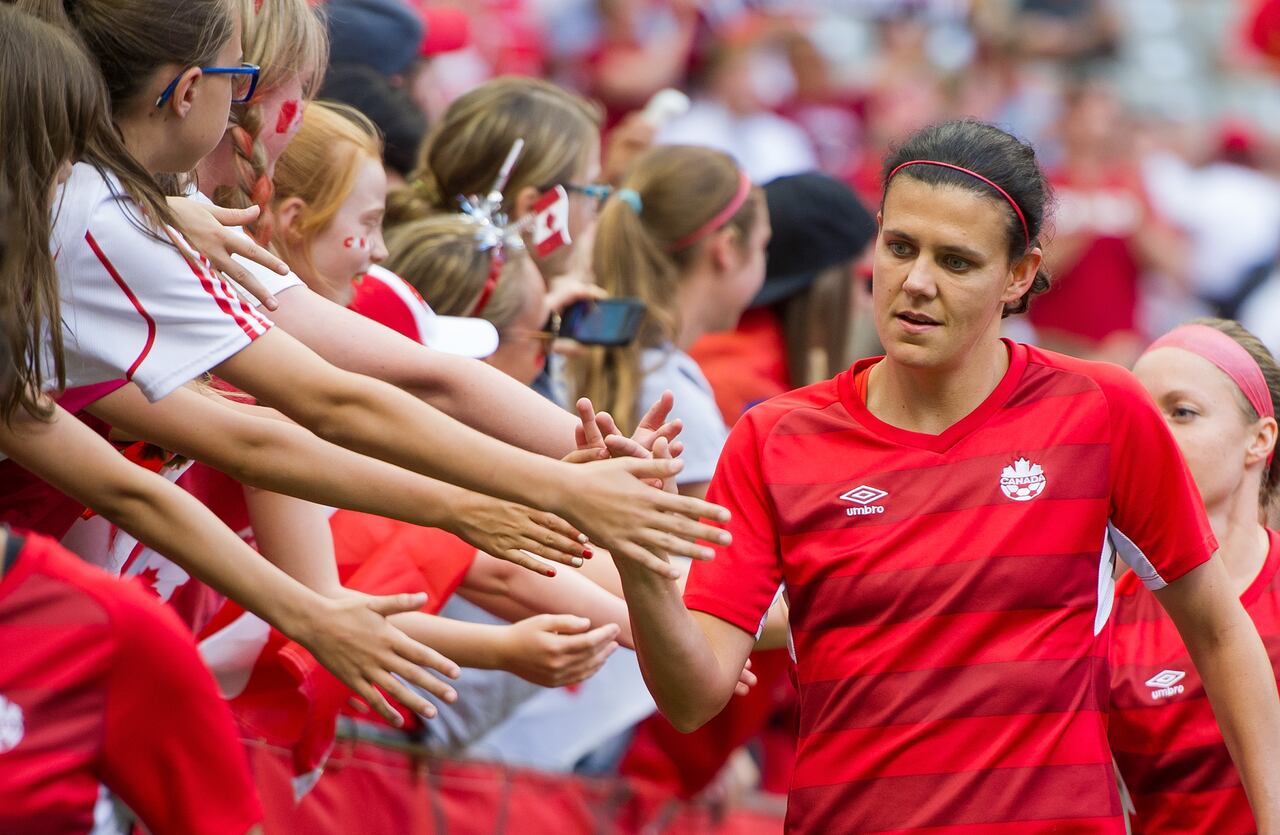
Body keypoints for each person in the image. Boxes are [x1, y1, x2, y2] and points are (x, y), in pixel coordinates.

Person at [609, 119, 1280, 833]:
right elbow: (694, 697)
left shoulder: (1103, 409)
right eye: (900, 248)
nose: (917, 282)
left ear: (1020, 275)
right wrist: (638, 561)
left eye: (956, 262)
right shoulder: (773, 438)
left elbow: (1216, 628)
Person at [1110, 319, 1280, 833]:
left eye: (1182, 412)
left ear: (1260, 440)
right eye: (1141, 415)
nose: (1153, 433)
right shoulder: (1106, 613)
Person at [576, 145, 770, 499]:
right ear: (725, 249)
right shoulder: (672, 396)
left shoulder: (585, 345)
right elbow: (709, 545)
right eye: (762, 246)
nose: (764, 263)